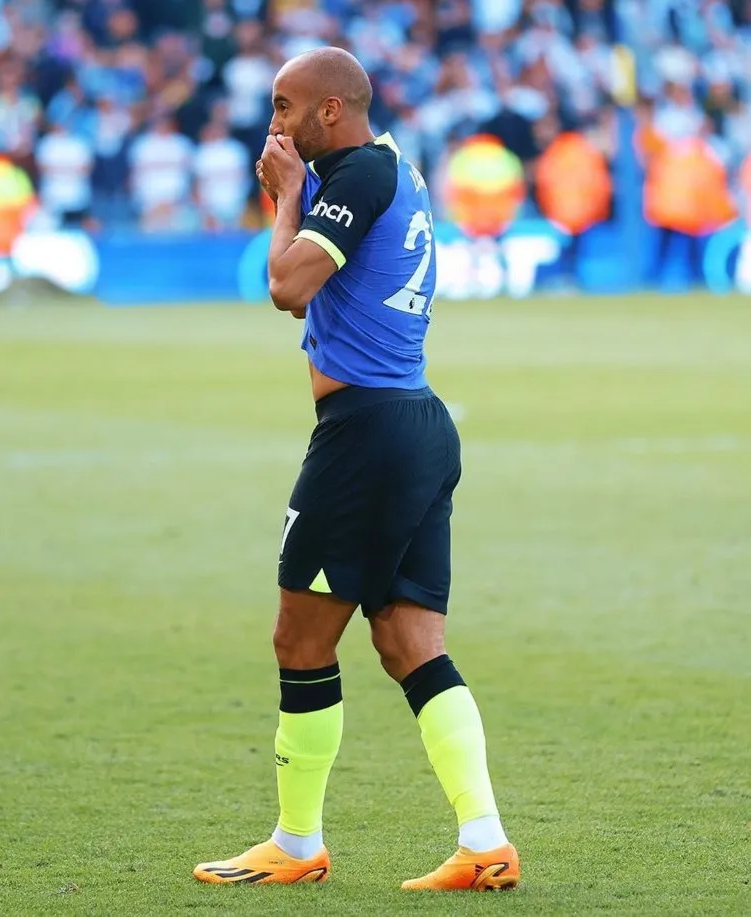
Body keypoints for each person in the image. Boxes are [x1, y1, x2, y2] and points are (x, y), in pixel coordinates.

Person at [192, 46, 519, 893]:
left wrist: (286, 198)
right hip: (414, 423)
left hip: (366, 434)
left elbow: (287, 285)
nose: (274, 125)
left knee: (298, 640)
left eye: (284, 107)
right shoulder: (394, 169)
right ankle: (484, 842)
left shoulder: (356, 180)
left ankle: (297, 843)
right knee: (411, 643)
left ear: (329, 111)